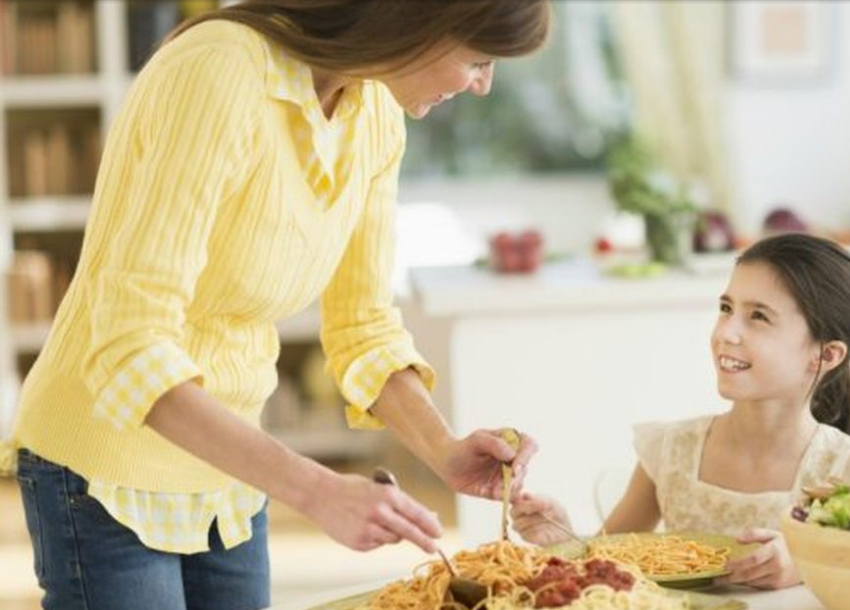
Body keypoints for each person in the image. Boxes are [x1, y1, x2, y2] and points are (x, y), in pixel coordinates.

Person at [0, 1, 550, 608]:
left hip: (230, 470)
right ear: (421, 20)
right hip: (104, 464)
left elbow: (363, 327)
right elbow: (131, 343)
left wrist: (443, 450)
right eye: (479, 60)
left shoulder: (373, 116)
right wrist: (316, 490)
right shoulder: (219, 71)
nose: (482, 85)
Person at [511, 233, 850, 590]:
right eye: (726, 308)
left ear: (826, 355)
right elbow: (605, 568)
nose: (726, 332)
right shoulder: (669, 450)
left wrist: (807, 566)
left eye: (759, 316)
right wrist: (563, 541)